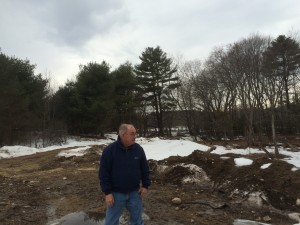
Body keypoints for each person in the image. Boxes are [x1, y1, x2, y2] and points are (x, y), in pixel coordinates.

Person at [99, 123, 151, 225]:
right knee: (111, 223)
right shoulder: (110, 151)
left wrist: (145, 185)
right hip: (116, 194)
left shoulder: (138, 149)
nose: (134, 137)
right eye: (132, 134)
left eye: (135, 134)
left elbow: (145, 168)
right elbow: (103, 173)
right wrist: (107, 192)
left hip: (135, 193)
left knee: (137, 221)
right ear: (123, 135)